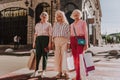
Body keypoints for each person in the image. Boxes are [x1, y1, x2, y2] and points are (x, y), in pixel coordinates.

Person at [31, 12, 52, 77]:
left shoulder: (49, 24)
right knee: (38, 55)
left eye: (45, 15)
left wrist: (49, 43)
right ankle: (36, 70)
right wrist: (34, 42)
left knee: (45, 55)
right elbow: (35, 34)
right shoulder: (37, 24)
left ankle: (43, 71)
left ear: (47, 17)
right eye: (42, 15)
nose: (44, 16)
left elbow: (50, 35)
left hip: (46, 39)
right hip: (38, 39)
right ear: (40, 16)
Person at [70, 9, 88, 80]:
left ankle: (78, 77)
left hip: (81, 39)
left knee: (79, 58)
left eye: (77, 14)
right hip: (72, 40)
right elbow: (70, 34)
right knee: (75, 58)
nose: (76, 16)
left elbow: (86, 33)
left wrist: (86, 44)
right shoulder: (71, 25)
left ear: (80, 15)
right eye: (74, 15)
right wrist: (69, 43)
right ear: (73, 16)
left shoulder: (83, 22)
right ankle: (78, 75)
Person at [52, 10, 70, 78]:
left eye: (60, 16)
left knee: (64, 56)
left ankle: (65, 72)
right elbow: (53, 33)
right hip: (56, 40)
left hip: (64, 40)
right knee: (57, 56)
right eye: (57, 16)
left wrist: (69, 42)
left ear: (62, 16)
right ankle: (59, 72)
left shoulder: (66, 24)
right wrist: (52, 42)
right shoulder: (55, 24)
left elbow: (68, 34)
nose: (59, 17)